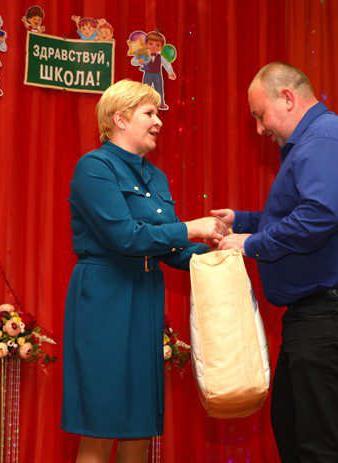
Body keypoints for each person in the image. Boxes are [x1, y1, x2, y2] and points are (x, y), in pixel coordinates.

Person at [215, 62, 338, 462]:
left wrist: (252, 244)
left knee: (322, 448)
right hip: (322, 313)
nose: (259, 129)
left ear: (287, 98)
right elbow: (302, 216)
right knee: (296, 433)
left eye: (260, 115)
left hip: (337, 311)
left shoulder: (327, 137)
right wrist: (242, 222)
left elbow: (318, 217)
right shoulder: (317, 141)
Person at [62, 79, 227, 463]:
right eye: (149, 113)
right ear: (120, 119)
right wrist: (190, 227)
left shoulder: (155, 176)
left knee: (140, 427)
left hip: (145, 296)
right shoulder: (94, 167)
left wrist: (218, 254)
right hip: (105, 298)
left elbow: (170, 248)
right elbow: (125, 237)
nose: (159, 122)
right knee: (101, 429)